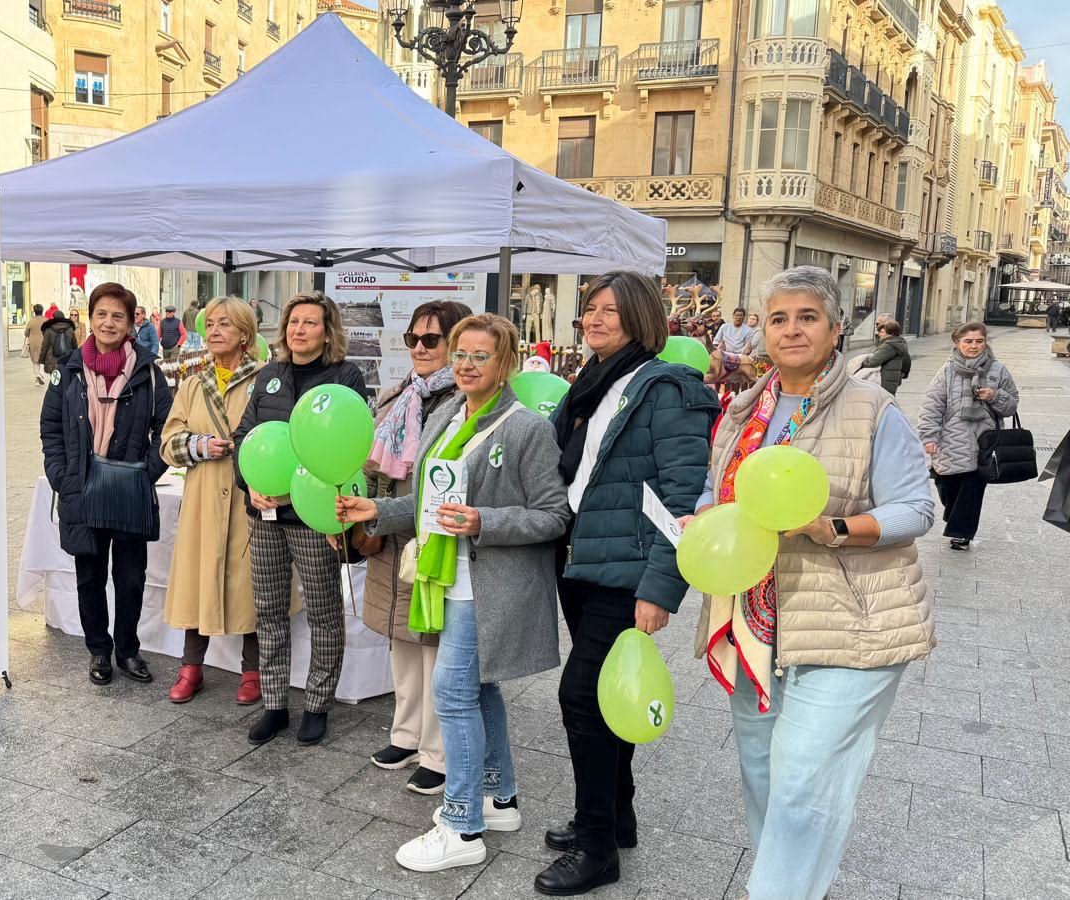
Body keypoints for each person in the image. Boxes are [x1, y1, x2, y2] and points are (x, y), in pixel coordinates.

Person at [691, 265, 935, 900]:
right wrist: (704, 516)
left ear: (834, 330)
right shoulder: (743, 410)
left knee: (804, 777)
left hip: (850, 621)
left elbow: (916, 509)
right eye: (779, 318)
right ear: (762, 331)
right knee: (763, 770)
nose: (791, 329)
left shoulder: (872, 409)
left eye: (808, 317)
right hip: (754, 621)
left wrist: (834, 528)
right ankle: (796, 884)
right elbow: (717, 490)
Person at [336, 314, 571, 873]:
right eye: (461, 353)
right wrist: (376, 510)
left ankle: (462, 824)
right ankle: (499, 797)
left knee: (452, 692)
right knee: (478, 689)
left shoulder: (526, 428)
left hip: (488, 584)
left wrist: (484, 520)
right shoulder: (446, 415)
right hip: (445, 577)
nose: (466, 364)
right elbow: (426, 503)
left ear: (505, 362)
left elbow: (554, 515)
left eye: (479, 356)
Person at [537, 271, 719, 896]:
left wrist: (659, 588)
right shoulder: (589, 384)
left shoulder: (667, 389)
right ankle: (616, 817)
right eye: (589, 308)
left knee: (582, 699)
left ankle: (596, 849)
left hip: (627, 569)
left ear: (640, 317)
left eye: (609, 311)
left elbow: (682, 496)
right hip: (579, 560)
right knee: (607, 697)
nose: (594, 319)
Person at [231, 291, 369, 746]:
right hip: (266, 515)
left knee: (324, 613)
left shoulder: (345, 377)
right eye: (293, 321)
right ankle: (274, 704)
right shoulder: (269, 375)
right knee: (269, 611)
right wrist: (248, 482)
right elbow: (244, 436)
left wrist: (336, 511)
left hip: (314, 517)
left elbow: (353, 446)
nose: (298, 329)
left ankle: (317, 704)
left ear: (328, 333)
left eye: (310, 322)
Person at [351, 300, 472, 796]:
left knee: (433, 642)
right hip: (389, 529)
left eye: (431, 339)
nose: (420, 348)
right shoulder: (400, 394)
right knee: (400, 637)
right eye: (413, 339)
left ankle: (438, 752)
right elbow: (370, 457)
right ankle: (405, 734)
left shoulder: (463, 400)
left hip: (433, 534)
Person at [40, 282, 173, 686]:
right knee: (89, 577)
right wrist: (61, 475)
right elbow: (51, 427)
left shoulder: (148, 372)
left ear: (131, 323)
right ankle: (99, 649)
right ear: (90, 319)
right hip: (81, 488)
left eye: (118, 316)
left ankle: (128, 649)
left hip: (129, 490)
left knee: (131, 579)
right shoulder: (69, 371)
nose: (109, 323)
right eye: (101, 314)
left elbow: (167, 429)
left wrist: (146, 472)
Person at [160, 296, 265, 704]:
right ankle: (191, 667)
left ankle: (253, 671)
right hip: (203, 499)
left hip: (247, 496)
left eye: (225, 324)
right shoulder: (193, 383)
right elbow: (168, 442)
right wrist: (198, 445)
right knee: (197, 579)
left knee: (252, 584)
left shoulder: (264, 379)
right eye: (212, 324)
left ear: (245, 334)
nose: (215, 331)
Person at [918, 322, 1019, 550]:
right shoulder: (947, 371)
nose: (974, 346)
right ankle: (955, 515)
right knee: (948, 486)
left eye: (979, 341)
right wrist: (929, 436)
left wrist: (994, 395)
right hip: (950, 440)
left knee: (972, 488)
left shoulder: (998, 370)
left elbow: (1012, 405)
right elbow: (931, 406)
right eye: (968, 341)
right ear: (957, 343)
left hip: (984, 442)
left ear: (985, 342)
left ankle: (961, 533)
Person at [855, 318, 912, 395]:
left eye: (882, 332)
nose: (879, 334)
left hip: (884, 379)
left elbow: (873, 362)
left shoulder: (889, 345)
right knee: (888, 399)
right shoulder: (900, 343)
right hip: (892, 379)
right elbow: (907, 362)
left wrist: (861, 363)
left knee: (882, 399)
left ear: (890, 333)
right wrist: (901, 374)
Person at [39, 310, 78, 381]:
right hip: (67, 360)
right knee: (66, 381)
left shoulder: (48, 330)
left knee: (55, 382)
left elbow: (44, 347)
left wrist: (41, 361)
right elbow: (75, 346)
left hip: (52, 362)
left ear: (54, 318)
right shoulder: (70, 329)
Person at [25, 304, 47, 385]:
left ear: (34, 311)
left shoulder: (31, 321)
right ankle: (41, 374)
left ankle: (37, 377)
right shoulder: (46, 320)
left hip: (33, 343)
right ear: (42, 311)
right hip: (44, 342)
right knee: (43, 360)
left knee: (35, 361)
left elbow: (26, 333)